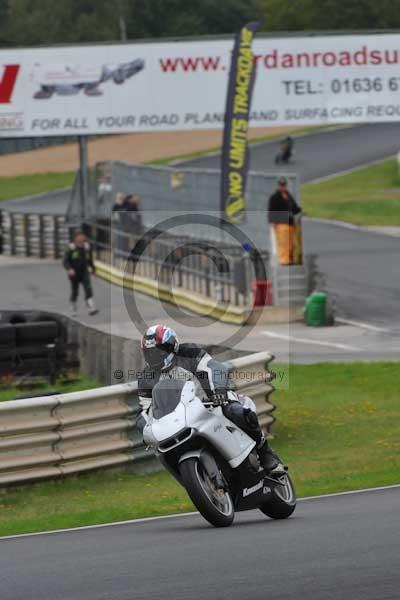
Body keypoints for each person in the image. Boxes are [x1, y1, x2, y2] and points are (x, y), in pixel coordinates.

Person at [136, 324, 284, 473]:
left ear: (170, 346)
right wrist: (146, 429)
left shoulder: (190, 353)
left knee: (237, 412)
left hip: (211, 402)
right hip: (179, 419)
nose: (154, 356)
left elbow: (215, 368)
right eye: (149, 353)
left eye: (158, 352)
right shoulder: (146, 377)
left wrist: (219, 390)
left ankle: (265, 453)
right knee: (165, 452)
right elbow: (145, 409)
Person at [63, 231, 98, 316]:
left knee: (88, 288)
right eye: (80, 237)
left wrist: (93, 269)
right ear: (75, 238)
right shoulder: (71, 248)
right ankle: (73, 307)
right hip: (74, 274)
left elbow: (90, 260)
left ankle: (91, 307)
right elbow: (65, 261)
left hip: (84, 272)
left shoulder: (87, 248)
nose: (82, 238)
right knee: (75, 291)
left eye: (83, 237)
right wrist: (69, 269)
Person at [268, 177, 302, 266]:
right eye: (281, 185)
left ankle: (289, 259)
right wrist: (273, 222)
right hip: (281, 223)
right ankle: (284, 260)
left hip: (290, 222)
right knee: (283, 242)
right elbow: (271, 210)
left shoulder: (288, 195)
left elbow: (294, 207)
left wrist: (299, 210)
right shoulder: (274, 197)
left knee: (290, 242)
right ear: (278, 186)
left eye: (284, 185)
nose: (283, 187)